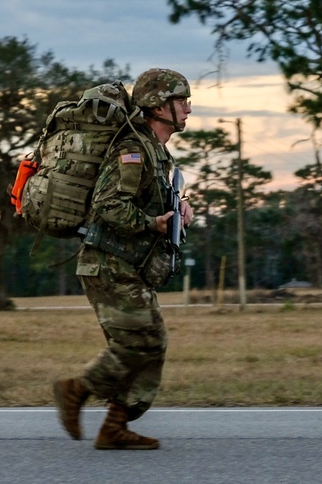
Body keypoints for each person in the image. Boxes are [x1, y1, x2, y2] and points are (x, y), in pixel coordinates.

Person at [53, 68, 194, 450]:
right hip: (107, 263)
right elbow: (108, 205)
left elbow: (149, 204)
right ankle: (76, 390)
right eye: (180, 101)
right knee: (139, 342)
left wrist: (177, 211)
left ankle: (115, 425)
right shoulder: (132, 150)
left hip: (126, 265)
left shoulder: (158, 153)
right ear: (158, 106)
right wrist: (153, 224)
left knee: (151, 343)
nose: (187, 109)